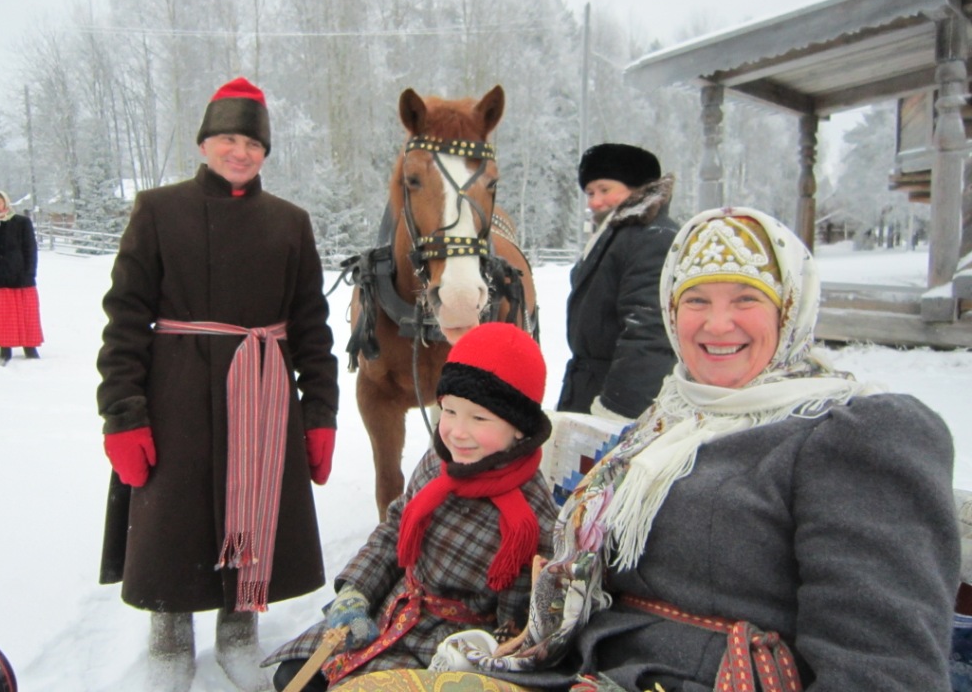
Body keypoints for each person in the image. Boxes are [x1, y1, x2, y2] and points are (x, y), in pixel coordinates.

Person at [440, 207, 960, 691]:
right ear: (671, 311)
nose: (716, 324)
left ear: (790, 308)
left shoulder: (854, 433)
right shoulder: (666, 421)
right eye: (696, 301)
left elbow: (882, 669)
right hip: (587, 669)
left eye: (746, 299)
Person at [96, 77, 339, 692]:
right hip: (174, 394)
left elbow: (312, 328)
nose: (241, 152)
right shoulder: (158, 210)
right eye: (228, 138)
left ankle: (238, 635)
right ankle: (170, 640)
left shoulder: (290, 222)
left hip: (265, 394)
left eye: (253, 143)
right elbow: (124, 320)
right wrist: (122, 414)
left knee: (250, 512)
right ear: (205, 143)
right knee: (174, 518)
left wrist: (321, 416)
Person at [265, 322, 559, 692]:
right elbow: (394, 531)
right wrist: (356, 591)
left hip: (445, 650)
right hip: (391, 608)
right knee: (293, 676)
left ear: (520, 427)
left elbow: (518, 632)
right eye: (449, 412)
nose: (457, 431)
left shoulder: (532, 523)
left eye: (479, 418)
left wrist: (479, 656)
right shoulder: (439, 464)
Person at [557, 143, 678, 421]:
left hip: (613, 399)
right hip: (589, 386)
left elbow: (649, 333)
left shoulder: (652, 237)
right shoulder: (620, 234)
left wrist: (618, 410)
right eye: (589, 192)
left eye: (604, 189)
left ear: (638, 187)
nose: (594, 202)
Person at [0, 190, 43, 364]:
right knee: (3, 316)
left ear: (6, 202)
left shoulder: (21, 222)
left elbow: (30, 248)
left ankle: (30, 346)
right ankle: (5, 349)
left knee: (25, 313)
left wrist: (29, 271)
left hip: (20, 276)